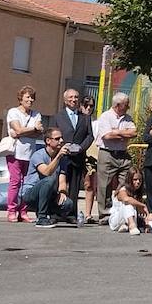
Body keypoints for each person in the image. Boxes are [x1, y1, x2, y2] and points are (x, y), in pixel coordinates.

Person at [92, 92, 136, 222]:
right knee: (104, 186)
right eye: (126, 105)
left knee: (126, 182)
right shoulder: (105, 116)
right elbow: (106, 136)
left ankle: (121, 210)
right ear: (118, 105)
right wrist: (124, 133)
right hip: (107, 153)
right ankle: (105, 215)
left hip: (123, 154)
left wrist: (116, 131)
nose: (128, 107)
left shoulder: (127, 118)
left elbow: (134, 132)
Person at [19, 127, 74, 228]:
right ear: (48, 141)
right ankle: (42, 218)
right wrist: (58, 157)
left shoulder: (63, 159)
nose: (61, 141)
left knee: (68, 204)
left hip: (48, 193)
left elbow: (62, 180)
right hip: (31, 194)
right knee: (49, 180)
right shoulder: (38, 155)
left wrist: (62, 193)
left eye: (61, 138)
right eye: (57, 139)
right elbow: (46, 172)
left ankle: (51, 215)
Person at [54, 89, 95, 225]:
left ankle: (71, 214)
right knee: (59, 184)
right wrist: (61, 147)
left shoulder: (85, 117)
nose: (74, 99)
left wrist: (81, 148)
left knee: (75, 187)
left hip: (78, 156)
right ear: (65, 100)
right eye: (71, 97)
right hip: (62, 155)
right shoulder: (58, 116)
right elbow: (53, 134)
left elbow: (90, 136)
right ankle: (57, 212)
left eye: (76, 97)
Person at [4, 87, 44, 223]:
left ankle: (23, 211)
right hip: (15, 153)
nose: (30, 100)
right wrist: (32, 129)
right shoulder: (13, 112)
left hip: (30, 154)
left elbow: (40, 132)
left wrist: (23, 132)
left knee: (27, 184)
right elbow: (18, 129)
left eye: (32, 97)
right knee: (15, 182)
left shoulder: (36, 114)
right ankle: (11, 211)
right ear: (21, 98)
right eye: (27, 97)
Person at [109, 165, 150, 234]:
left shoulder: (139, 192)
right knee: (129, 202)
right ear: (130, 180)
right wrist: (142, 205)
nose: (138, 182)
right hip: (116, 220)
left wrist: (146, 223)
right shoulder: (122, 190)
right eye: (135, 179)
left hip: (133, 218)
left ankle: (126, 225)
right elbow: (126, 199)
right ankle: (131, 225)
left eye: (140, 180)